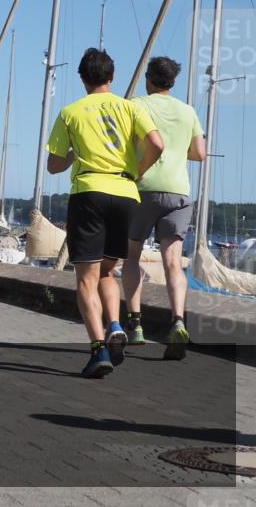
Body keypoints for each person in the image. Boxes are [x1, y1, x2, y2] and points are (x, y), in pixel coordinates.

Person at [46, 48, 163, 378]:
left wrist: (71, 155)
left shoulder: (71, 113)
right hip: (125, 193)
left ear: (83, 78)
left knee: (85, 277)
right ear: (112, 77)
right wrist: (137, 172)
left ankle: (98, 350)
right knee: (107, 271)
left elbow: (54, 165)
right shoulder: (130, 108)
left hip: (89, 193)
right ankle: (114, 323)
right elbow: (157, 144)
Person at [123, 57, 205, 359]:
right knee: (173, 261)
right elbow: (199, 153)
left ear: (149, 78)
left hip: (142, 188)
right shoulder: (188, 111)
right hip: (178, 191)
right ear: (173, 81)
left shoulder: (136, 105)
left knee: (131, 255)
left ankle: (136, 326)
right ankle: (178, 321)